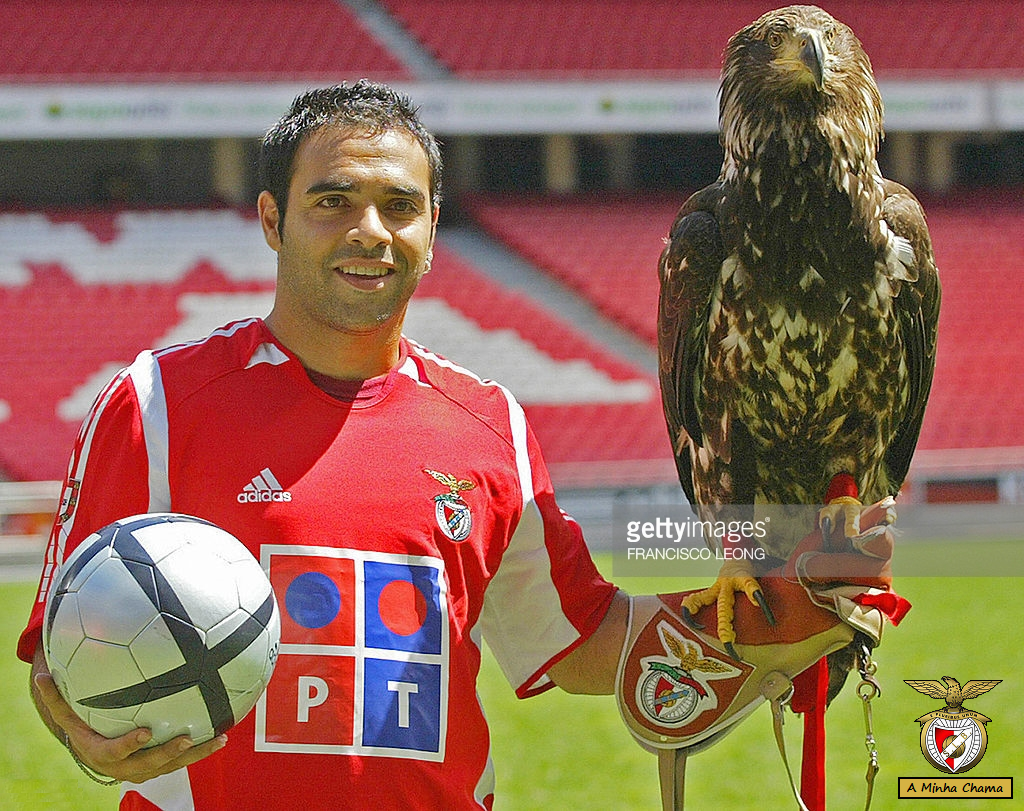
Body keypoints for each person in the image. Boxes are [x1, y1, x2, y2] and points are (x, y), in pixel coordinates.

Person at [18, 80, 629, 810]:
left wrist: (769, 603)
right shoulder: (155, 403)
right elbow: (63, 651)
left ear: (433, 228)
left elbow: (583, 634)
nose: (370, 229)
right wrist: (81, 732)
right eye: (332, 201)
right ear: (273, 220)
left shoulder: (490, 424)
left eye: (400, 206)